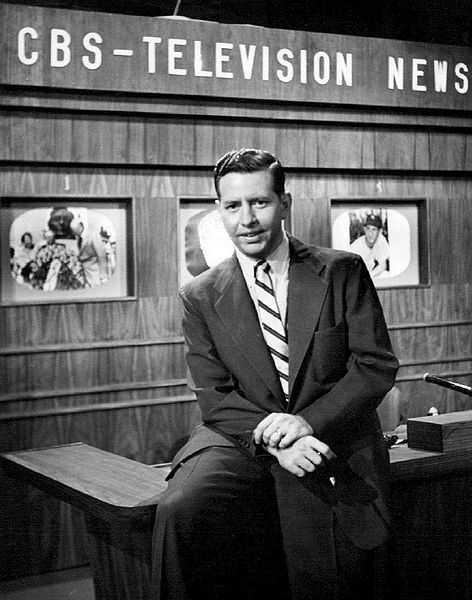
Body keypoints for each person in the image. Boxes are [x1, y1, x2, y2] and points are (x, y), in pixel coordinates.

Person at [152, 149, 399, 600]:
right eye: (232, 206)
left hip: (329, 431)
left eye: (259, 203)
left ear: (284, 203)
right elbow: (213, 393)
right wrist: (278, 440)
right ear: (220, 210)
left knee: (327, 575)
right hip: (242, 436)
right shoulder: (199, 294)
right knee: (179, 511)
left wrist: (306, 423)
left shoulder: (341, 270)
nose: (246, 219)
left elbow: (374, 366)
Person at [70, 218, 108, 287]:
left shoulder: (93, 235)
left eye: (73, 230)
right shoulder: (78, 238)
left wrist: (104, 276)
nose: (72, 232)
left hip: (95, 273)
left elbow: (101, 255)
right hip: (85, 275)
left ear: (80, 228)